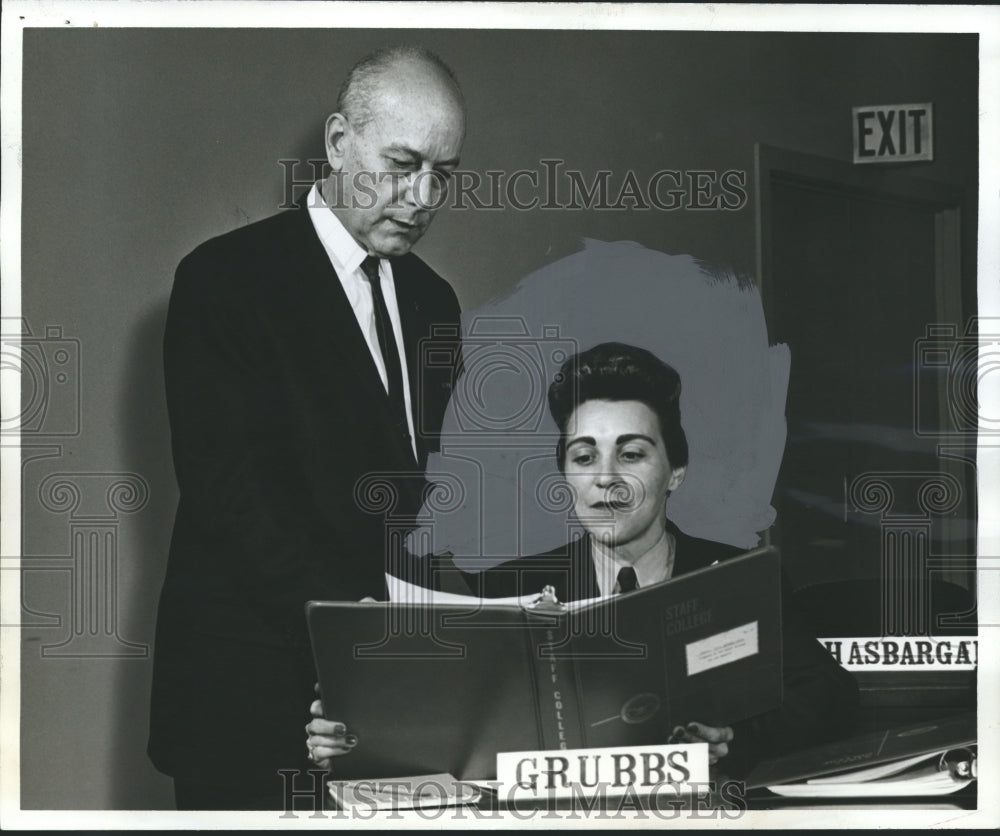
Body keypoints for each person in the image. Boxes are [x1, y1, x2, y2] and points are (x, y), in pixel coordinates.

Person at [148, 45, 467, 810]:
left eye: (443, 174)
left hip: (391, 703)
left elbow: (423, 503)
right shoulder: (224, 279)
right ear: (338, 142)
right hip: (250, 699)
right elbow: (231, 498)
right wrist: (360, 640)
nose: (422, 196)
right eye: (401, 164)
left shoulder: (436, 303)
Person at [306, 342, 859, 779]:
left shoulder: (736, 576)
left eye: (632, 453)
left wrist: (733, 741)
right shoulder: (503, 590)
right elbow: (450, 731)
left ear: (676, 472)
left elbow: (831, 700)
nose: (605, 478)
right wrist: (357, 735)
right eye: (584, 455)